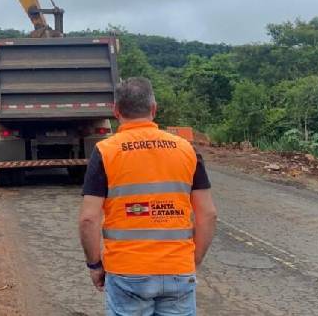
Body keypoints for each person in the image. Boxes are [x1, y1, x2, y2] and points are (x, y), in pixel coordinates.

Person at [78, 77, 217, 316]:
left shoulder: (105, 152)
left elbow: (88, 219)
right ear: (154, 109)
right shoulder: (187, 150)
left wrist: (95, 264)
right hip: (178, 269)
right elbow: (208, 214)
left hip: (126, 271)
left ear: (116, 111)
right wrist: (194, 260)